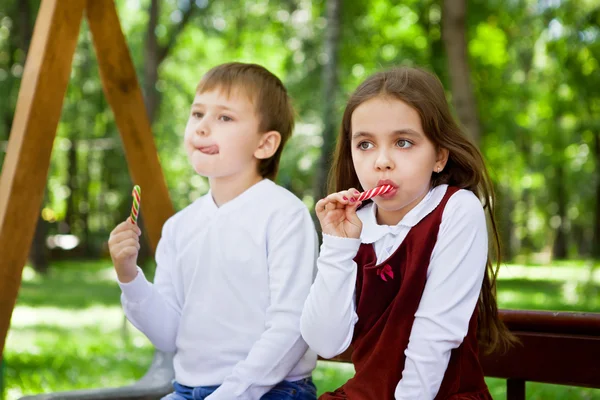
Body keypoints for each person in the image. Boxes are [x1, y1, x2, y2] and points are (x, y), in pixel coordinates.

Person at [300, 66, 515, 399]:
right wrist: (337, 248)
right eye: (365, 144)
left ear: (439, 157)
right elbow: (325, 341)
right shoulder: (354, 226)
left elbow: (434, 339)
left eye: (403, 142)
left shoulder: (457, 210)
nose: (382, 161)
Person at [108, 62, 318, 400]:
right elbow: (168, 334)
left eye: (225, 118)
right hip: (188, 391)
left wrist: (230, 394)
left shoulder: (284, 214)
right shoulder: (179, 227)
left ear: (265, 144)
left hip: (274, 390)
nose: (203, 128)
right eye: (197, 114)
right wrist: (129, 276)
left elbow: (291, 328)